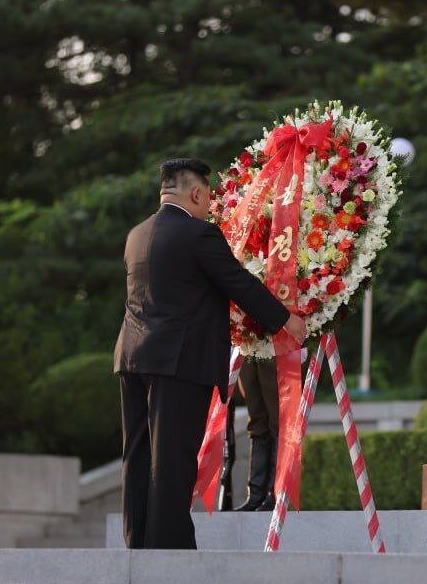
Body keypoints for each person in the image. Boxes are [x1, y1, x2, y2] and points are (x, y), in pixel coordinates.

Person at [113, 157, 307, 549]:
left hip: (132, 356)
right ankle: (170, 547)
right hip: (179, 361)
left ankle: (138, 542)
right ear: (197, 193)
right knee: (173, 455)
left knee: (137, 452)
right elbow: (237, 283)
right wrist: (286, 319)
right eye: (209, 197)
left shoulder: (137, 234)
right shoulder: (198, 233)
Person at [234, 358, 280, 511]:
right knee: (257, 420)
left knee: (277, 419)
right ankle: (256, 494)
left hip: (276, 348)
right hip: (247, 348)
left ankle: (274, 493)